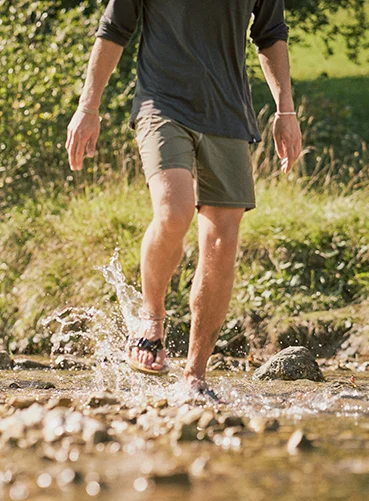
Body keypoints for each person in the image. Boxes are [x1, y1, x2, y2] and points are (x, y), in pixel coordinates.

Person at [66, 0, 302, 396]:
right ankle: (151, 318)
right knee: (174, 211)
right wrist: (88, 107)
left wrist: (286, 111)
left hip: (228, 113)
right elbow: (113, 29)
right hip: (162, 104)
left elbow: (270, 34)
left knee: (223, 241)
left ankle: (195, 376)